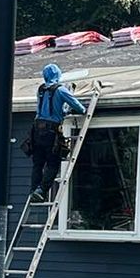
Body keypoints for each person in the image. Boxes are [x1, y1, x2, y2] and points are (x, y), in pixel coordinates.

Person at [29, 62, 87, 200]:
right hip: (51, 131)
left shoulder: (40, 90)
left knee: (38, 163)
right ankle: (41, 190)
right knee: (53, 163)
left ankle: (33, 190)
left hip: (36, 130)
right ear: (58, 75)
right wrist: (82, 110)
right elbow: (78, 106)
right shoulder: (61, 90)